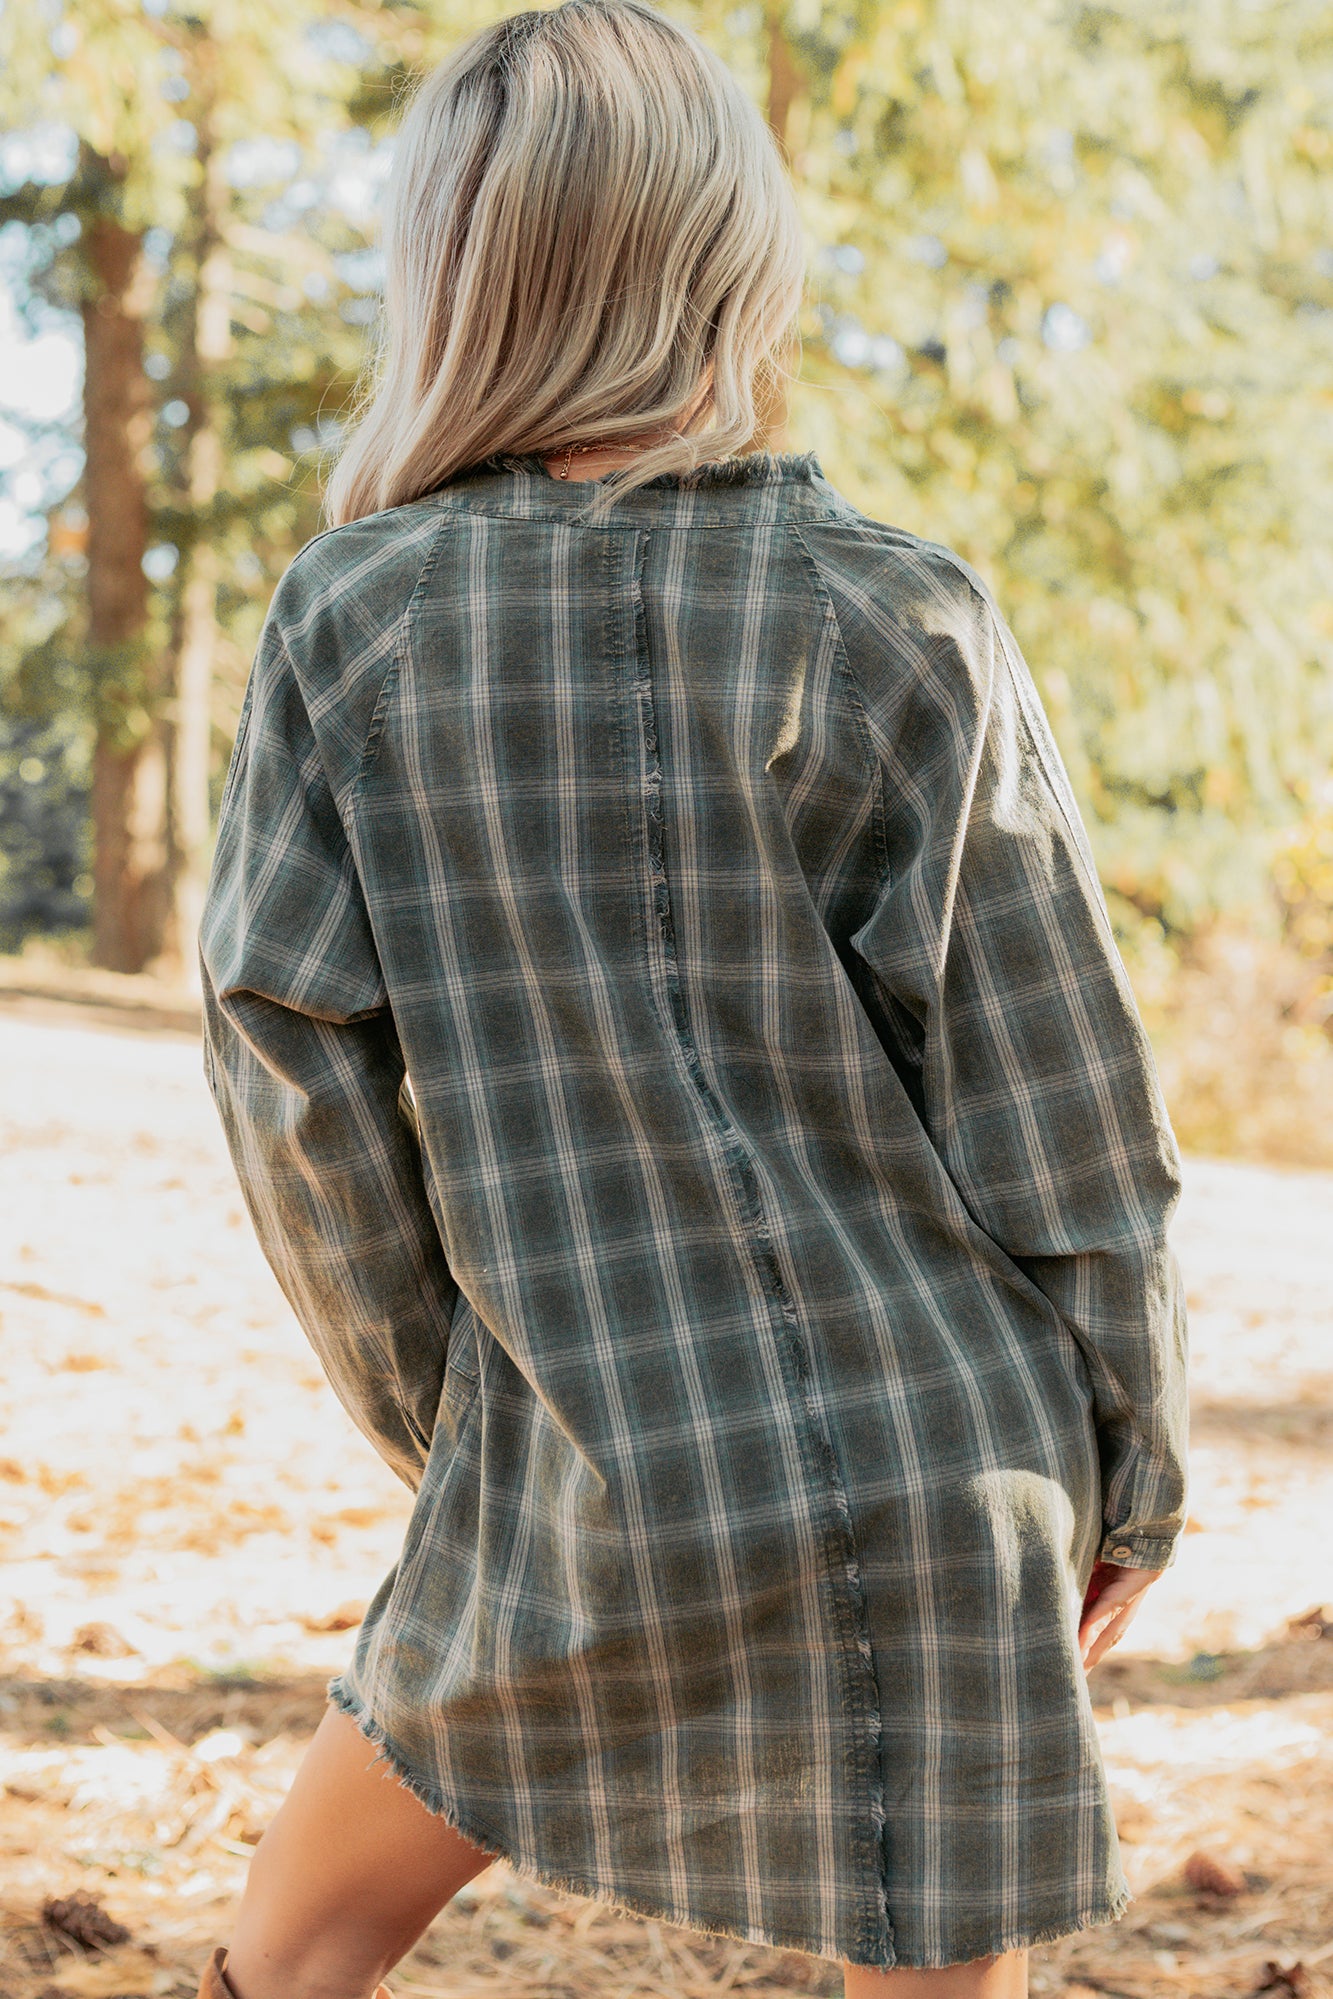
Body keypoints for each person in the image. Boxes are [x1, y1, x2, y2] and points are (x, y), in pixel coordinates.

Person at [194, 4, 1190, 1996]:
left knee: (286, 1953)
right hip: (939, 1465)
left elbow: (289, 1068)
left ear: (454, 273)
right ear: (734, 256)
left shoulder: (352, 622)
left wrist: (461, 1412)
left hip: (582, 1463)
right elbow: (1058, 1095)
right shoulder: (904, 617)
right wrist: (1126, 1461)